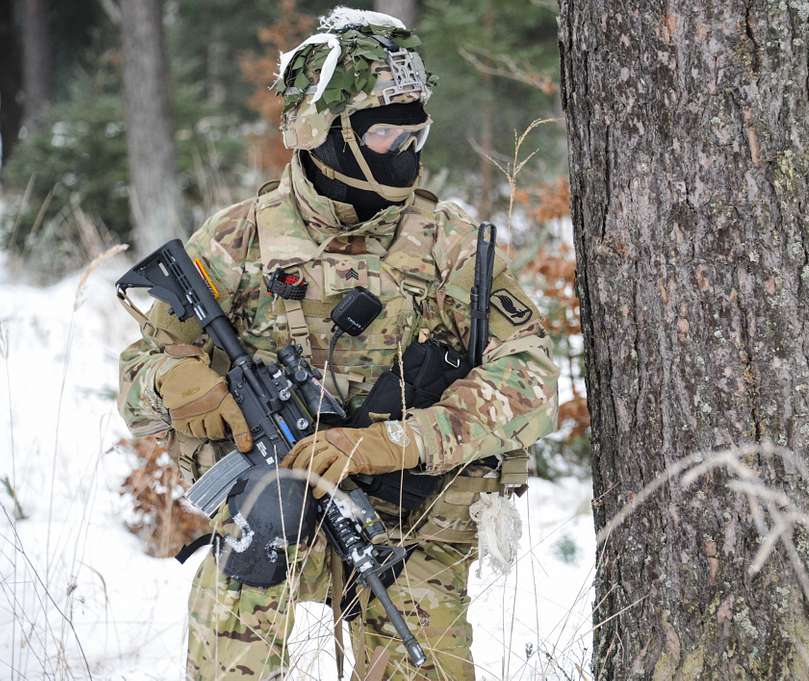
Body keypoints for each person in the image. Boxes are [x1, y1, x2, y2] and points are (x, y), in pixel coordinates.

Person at [116, 7, 558, 680]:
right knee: (255, 538)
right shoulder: (240, 242)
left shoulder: (448, 245)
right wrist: (171, 382)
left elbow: (531, 379)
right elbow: (139, 373)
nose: (407, 151)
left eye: (418, 132)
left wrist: (390, 443)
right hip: (276, 514)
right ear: (320, 132)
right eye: (385, 134)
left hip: (410, 522)